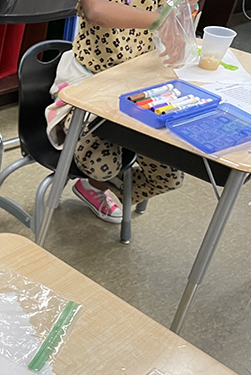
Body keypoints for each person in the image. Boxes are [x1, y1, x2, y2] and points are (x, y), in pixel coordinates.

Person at [46, 0, 197, 223]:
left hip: (138, 85)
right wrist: (161, 22)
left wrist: (178, 17)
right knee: (99, 166)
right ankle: (98, 182)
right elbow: (97, 10)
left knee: (168, 178)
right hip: (90, 84)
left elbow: (182, 5)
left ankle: (97, 188)